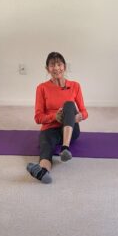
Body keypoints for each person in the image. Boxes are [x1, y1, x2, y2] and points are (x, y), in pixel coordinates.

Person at [27, 52, 88, 184]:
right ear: (47, 69)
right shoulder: (42, 88)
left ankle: (65, 148)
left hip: (70, 130)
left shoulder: (75, 86)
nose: (56, 68)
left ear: (64, 67)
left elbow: (84, 112)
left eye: (59, 64)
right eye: (52, 65)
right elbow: (38, 118)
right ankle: (43, 171)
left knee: (69, 104)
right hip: (50, 127)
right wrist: (54, 116)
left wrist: (78, 116)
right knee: (45, 147)